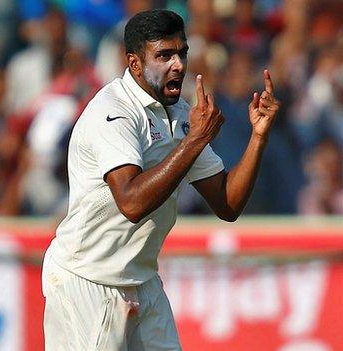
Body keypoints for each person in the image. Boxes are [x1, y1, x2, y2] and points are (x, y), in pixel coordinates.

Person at [42, 9, 280, 351]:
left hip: (143, 279)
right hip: (88, 280)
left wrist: (258, 136)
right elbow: (132, 202)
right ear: (135, 63)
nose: (178, 65)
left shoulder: (182, 115)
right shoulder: (112, 112)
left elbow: (227, 204)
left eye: (181, 52)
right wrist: (195, 140)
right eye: (164, 55)